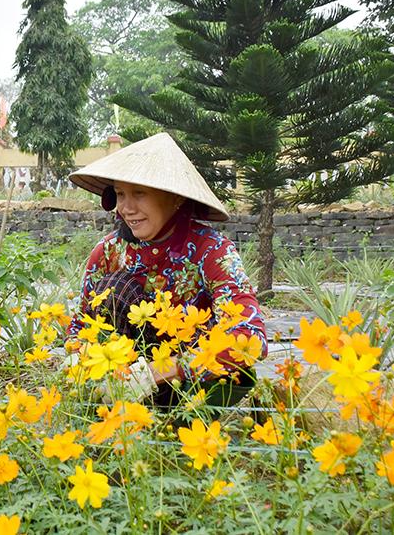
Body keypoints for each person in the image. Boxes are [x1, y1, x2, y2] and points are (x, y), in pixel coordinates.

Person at [66, 132, 267, 407]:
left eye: (139, 193)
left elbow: (251, 338)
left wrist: (155, 373)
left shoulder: (212, 250)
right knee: (115, 289)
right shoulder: (109, 251)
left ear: (175, 198)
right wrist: (79, 362)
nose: (127, 208)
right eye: (121, 194)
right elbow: (79, 326)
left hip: (193, 388)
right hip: (120, 386)